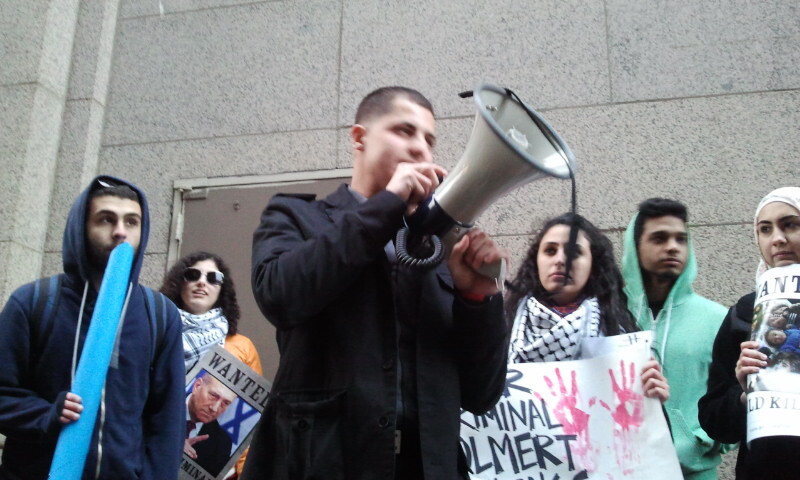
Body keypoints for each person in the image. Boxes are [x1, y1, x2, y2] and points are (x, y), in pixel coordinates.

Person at [242, 86, 509, 479]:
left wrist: (477, 298)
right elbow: (280, 296)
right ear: (359, 138)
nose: (421, 148)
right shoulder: (296, 216)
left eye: (429, 140)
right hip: (322, 464)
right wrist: (388, 204)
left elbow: (481, 394)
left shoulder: (436, 248)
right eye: (404, 130)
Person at [0, 176, 185, 479]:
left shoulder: (160, 314)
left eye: (132, 222)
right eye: (106, 219)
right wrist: (46, 415)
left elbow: (168, 420)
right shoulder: (34, 302)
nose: (120, 232)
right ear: (81, 228)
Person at [506, 213, 669, 404]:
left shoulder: (621, 341)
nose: (560, 260)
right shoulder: (501, 328)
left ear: (593, 265)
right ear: (536, 263)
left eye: (574, 252)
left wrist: (651, 399)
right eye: (550, 251)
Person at [620, 198, 729, 479]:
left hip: (695, 472)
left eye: (681, 239)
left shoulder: (718, 319)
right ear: (635, 247)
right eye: (659, 238)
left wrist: (699, 439)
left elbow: (733, 395)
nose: (672, 246)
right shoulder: (610, 317)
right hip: (623, 469)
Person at [699, 186, 800, 479]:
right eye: (765, 229)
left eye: (790, 224)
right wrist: (745, 394)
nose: (777, 239)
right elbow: (713, 420)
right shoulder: (745, 313)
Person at [161, 251, 263, 477]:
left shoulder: (242, 348)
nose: (201, 282)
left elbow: (252, 428)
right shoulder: (157, 335)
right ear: (179, 282)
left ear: (222, 289)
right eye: (193, 275)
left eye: (213, 278)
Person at [186, 373, 237, 477]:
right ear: (197, 386)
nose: (214, 408)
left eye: (225, 403)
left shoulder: (222, 443)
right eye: (213, 396)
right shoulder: (162, 400)